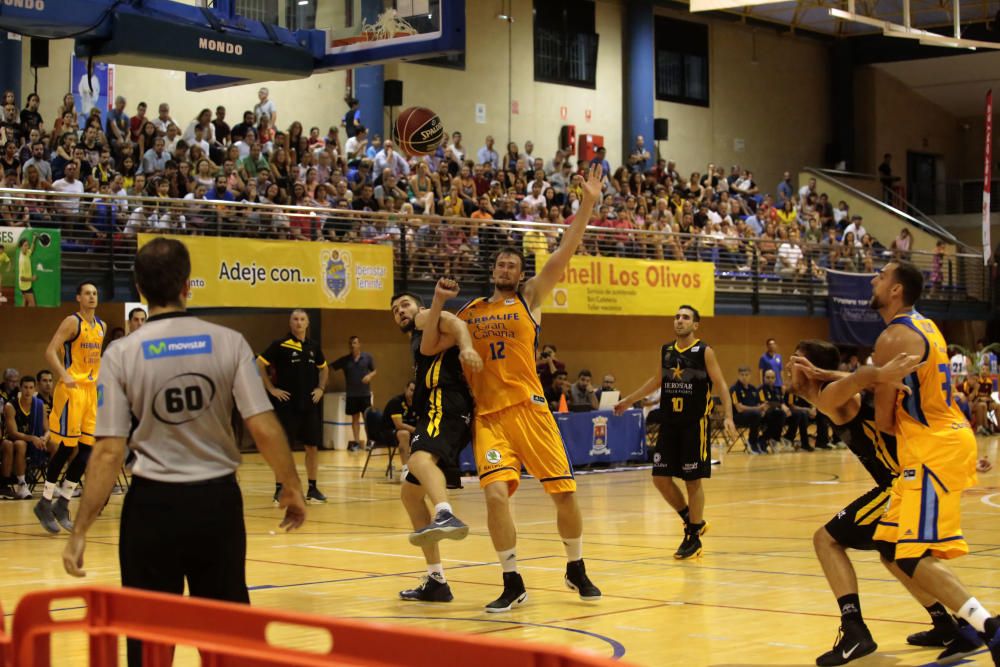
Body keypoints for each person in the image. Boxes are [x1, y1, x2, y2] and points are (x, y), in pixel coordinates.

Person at [62, 237, 306, 667]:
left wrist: (80, 529)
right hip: (216, 504)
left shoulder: (120, 354)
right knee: (227, 635)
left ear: (139, 288)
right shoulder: (229, 342)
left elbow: (106, 453)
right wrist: (291, 486)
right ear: (188, 286)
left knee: (150, 638)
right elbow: (263, 425)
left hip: (152, 507)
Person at [455, 165, 604, 612]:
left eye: (513, 265)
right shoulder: (470, 311)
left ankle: (575, 566)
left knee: (565, 493)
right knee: (495, 495)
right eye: (500, 263)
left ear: (520, 274)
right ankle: (512, 578)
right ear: (492, 269)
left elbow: (564, 253)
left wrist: (588, 204)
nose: (505, 268)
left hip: (530, 409)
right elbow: (433, 331)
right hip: (489, 417)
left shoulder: (530, 299)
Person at [790, 340, 984, 666]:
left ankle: (855, 631)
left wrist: (848, 373)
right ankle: (947, 625)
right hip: (902, 480)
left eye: (796, 360)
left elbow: (856, 382)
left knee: (825, 539)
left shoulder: (837, 397)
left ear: (812, 369)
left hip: (899, 484)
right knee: (892, 556)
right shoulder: (826, 394)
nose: (787, 364)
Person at [866, 261, 1000, 666]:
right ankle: (957, 628)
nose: (874, 279)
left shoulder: (892, 337)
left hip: (930, 451)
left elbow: (885, 419)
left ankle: (989, 628)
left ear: (895, 291)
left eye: (881, 275)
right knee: (889, 546)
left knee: (911, 554)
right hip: (939, 441)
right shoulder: (925, 326)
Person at [615, 306, 736, 559]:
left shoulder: (704, 351)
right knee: (660, 478)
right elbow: (656, 381)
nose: (680, 321)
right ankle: (693, 521)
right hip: (670, 422)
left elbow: (722, 384)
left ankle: (693, 538)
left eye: (686, 318)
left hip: (695, 423)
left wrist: (728, 417)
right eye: (677, 317)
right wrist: (628, 400)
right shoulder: (666, 350)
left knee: (692, 480)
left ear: (695, 325)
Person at [391, 280, 482, 602]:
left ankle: (445, 512)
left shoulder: (424, 318)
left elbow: (457, 322)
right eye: (395, 310)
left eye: (404, 305)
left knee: (417, 458)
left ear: (417, 307)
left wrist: (468, 347)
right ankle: (436, 581)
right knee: (410, 497)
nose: (400, 312)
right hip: (441, 407)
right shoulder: (421, 336)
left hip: (445, 402)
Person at [34, 281, 105, 534]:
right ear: (78, 297)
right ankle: (44, 502)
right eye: (87, 293)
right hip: (71, 391)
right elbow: (50, 351)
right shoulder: (72, 322)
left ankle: (62, 501)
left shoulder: (101, 326)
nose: (92, 297)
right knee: (66, 448)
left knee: (88, 449)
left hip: (90, 392)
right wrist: (63, 375)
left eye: (95, 293)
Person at [257, 309, 329, 503]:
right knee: (283, 449)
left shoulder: (314, 347)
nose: (299, 323)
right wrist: (271, 389)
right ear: (290, 323)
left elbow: (324, 369)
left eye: (302, 319)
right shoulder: (279, 345)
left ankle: (313, 489)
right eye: (295, 319)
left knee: (312, 447)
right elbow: (259, 363)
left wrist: (321, 388)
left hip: (309, 405)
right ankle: (280, 488)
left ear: (307, 324)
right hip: (287, 406)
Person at [1, 375, 47, 500]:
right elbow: (13, 433)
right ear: (20, 388)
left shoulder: (39, 405)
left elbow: (47, 430)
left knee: (54, 444)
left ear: (35, 389)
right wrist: (33, 438)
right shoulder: (11, 406)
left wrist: (45, 438)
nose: (28, 390)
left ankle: (53, 484)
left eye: (31, 387)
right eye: (25, 387)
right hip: (14, 440)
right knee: (20, 444)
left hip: (34, 440)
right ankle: (21, 483)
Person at [332, 336, 376, 450]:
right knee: (354, 419)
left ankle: (369, 441)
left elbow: (374, 370)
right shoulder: (345, 360)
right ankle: (356, 442)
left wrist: (369, 376)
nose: (353, 345)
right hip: (352, 395)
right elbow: (330, 367)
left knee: (367, 418)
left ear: (359, 344)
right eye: (351, 343)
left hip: (365, 394)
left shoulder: (367, 357)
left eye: (355, 343)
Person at [381, 381, 417, 480]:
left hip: (409, 432)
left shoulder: (418, 403)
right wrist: (416, 430)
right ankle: (405, 470)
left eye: (416, 391)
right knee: (404, 434)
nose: (413, 394)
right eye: (411, 390)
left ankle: (419, 468)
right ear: (406, 389)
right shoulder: (396, 402)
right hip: (388, 432)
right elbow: (399, 425)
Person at [730, 367, 765, 454]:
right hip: (739, 417)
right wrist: (757, 409)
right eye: (742, 375)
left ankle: (762, 441)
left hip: (754, 416)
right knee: (756, 415)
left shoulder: (753, 389)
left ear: (750, 376)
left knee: (772, 415)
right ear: (738, 376)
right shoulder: (734, 389)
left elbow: (760, 403)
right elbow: (739, 408)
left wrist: (763, 410)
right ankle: (751, 442)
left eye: (746, 375)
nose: (744, 377)